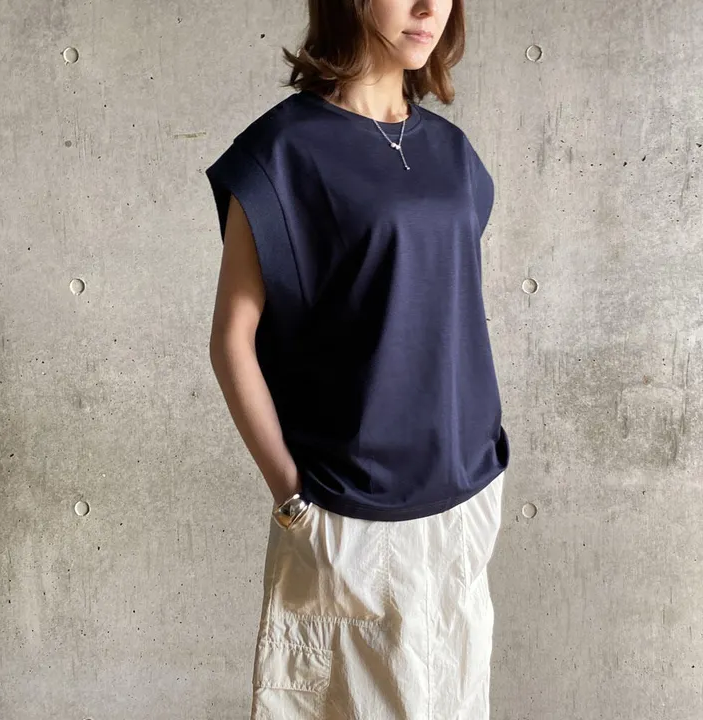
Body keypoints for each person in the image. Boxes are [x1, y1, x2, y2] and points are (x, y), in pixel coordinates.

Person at [205, 0, 510, 717]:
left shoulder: (454, 155)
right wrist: (293, 501)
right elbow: (231, 340)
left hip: (464, 499)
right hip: (351, 515)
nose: (430, 8)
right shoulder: (283, 154)